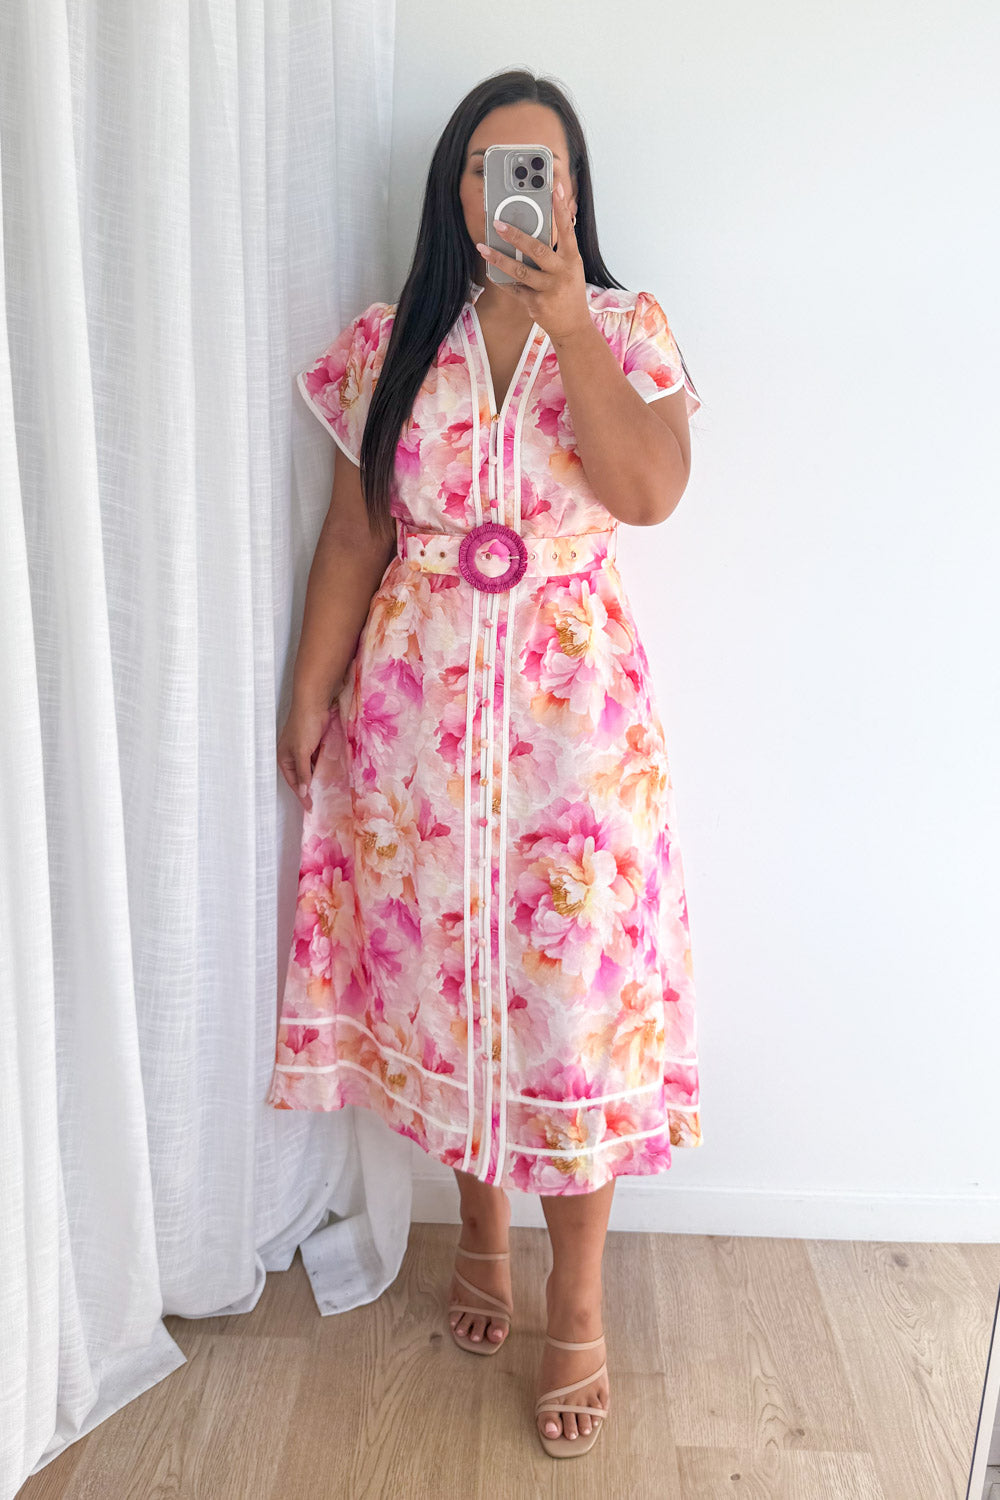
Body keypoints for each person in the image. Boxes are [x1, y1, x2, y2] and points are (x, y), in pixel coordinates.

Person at [265, 67, 703, 1459]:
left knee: (568, 1006)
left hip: (577, 731)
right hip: (419, 719)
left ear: (572, 192)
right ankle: (478, 1228)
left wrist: (569, 323)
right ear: (455, 190)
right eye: (491, 168)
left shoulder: (627, 327)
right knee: (450, 975)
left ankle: (577, 1296)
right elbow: (356, 533)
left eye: (543, 170)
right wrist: (309, 690)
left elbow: (648, 493)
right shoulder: (388, 343)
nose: (518, 192)